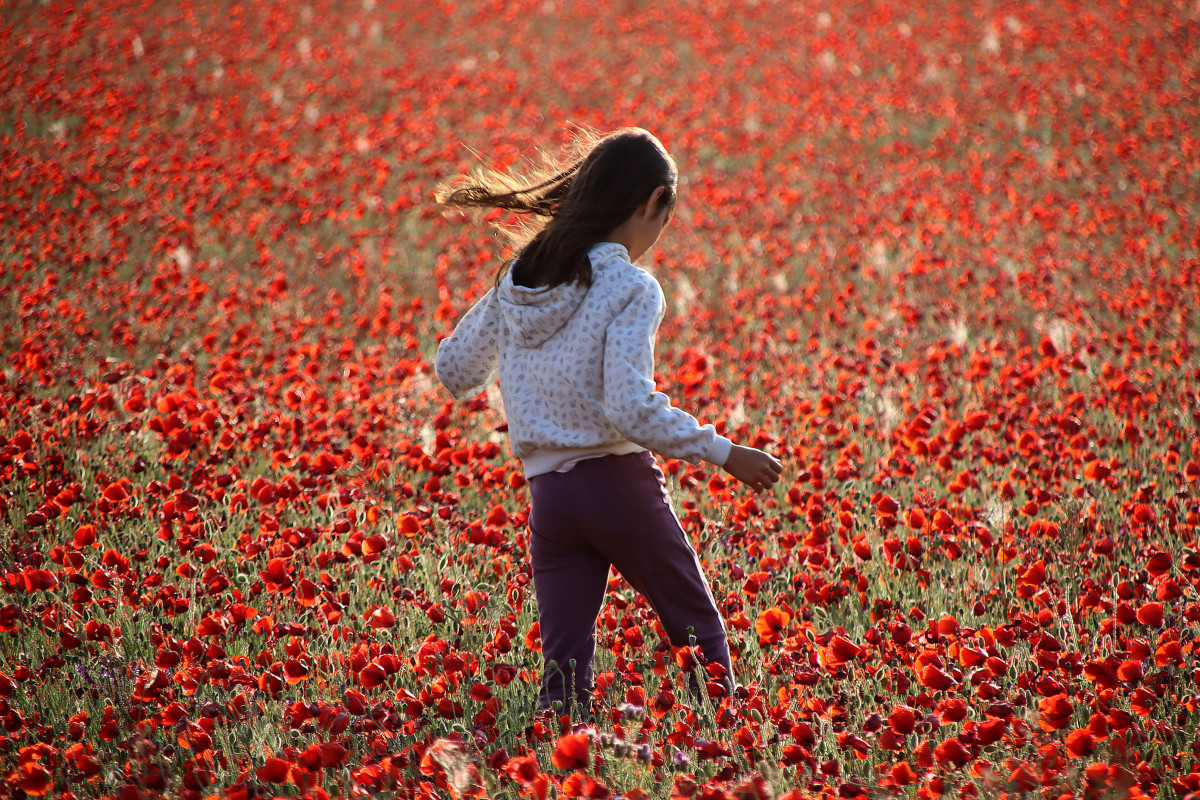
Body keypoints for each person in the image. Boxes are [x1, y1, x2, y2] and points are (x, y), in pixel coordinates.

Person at [433, 127, 783, 717]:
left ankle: (553, 766)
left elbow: (453, 369)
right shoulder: (629, 287)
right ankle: (729, 745)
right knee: (696, 628)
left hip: (550, 501)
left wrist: (504, 317)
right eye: (663, 221)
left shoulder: (521, 279)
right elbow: (629, 408)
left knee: (564, 675)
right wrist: (725, 453)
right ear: (650, 203)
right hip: (617, 489)